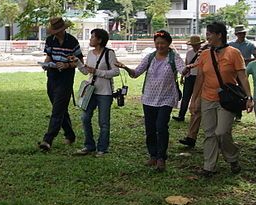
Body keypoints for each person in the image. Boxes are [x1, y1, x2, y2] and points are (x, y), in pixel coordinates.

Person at [189, 22, 253, 177]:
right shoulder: (205, 54)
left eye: (210, 33)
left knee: (222, 132)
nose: (207, 36)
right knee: (209, 133)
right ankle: (209, 167)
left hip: (227, 100)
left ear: (219, 35)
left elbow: (242, 77)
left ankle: (232, 157)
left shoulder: (234, 53)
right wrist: (194, 100)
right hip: (207, 98)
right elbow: (200, 78)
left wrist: (249, 97)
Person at [117, 30, 185, 171]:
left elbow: (181, 69)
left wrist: (187, 70)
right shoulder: (150, 57)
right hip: (149, 98)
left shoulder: (174, 57)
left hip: (166, 97)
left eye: (163, 43)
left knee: (161, 127)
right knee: (150, 129)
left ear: (168, 43)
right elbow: (136, 73)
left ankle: (161, 158)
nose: (160, 46)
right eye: (157, 43)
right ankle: (153, 155)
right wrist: (125, 68)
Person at [38, 16, 83, 151]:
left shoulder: (72, 41)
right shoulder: (50, 40)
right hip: (52, 76)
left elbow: (79, 61)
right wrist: (46, 63)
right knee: (60, 107)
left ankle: (48, 140)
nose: (55, 33)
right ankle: (70, 135)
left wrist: (67, 65)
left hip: (66, 77)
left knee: (57, 109)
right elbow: (49, 55)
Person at [75, 28, 119, 157]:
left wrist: (97, 72)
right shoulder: (90, 53)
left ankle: (102, 148)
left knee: (103, 122)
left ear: (99, 40)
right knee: (85, 117)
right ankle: (89, 145)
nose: (90, 39)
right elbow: (86, 71)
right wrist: (78, 63)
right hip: (91, 91)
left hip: (105, 92)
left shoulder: (109, 53)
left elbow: (116, 72)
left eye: (93, 37)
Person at [173, 35, 203, 122]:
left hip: (199, 77)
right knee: (186, 97)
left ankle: (197, 116)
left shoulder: (204, 52)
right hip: (189, 77)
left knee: (198, 98)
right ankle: (181, 115)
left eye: (196, 44)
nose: (194, 46)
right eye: (193, 44)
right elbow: (186, 65)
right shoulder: (189, 52)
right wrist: (183, 76)